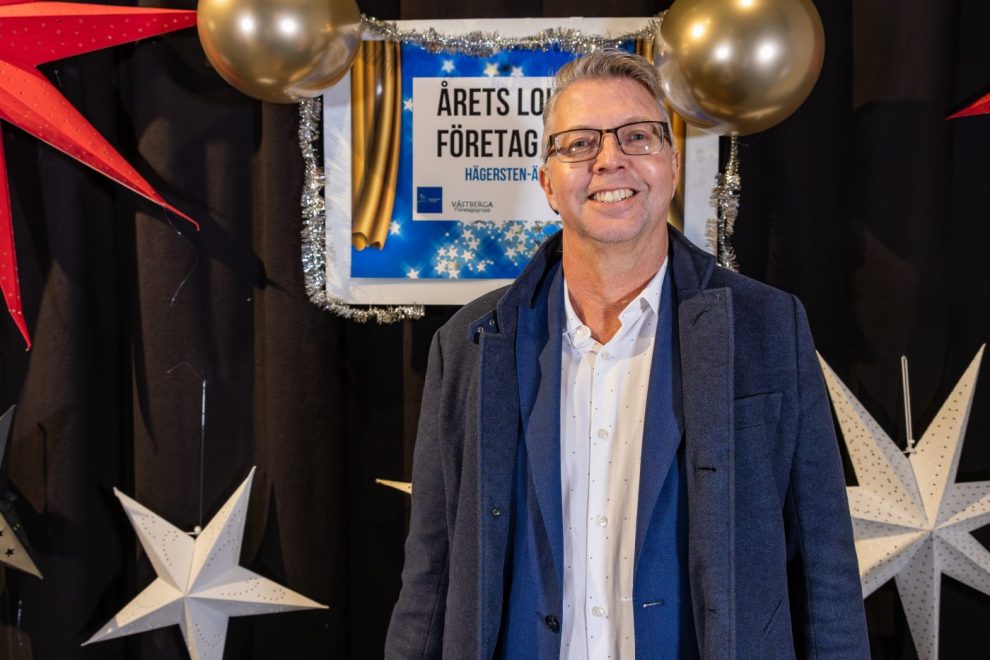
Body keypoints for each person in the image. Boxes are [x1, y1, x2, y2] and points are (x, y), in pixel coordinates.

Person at [385, 50, 869, 659]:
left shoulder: (768, 327)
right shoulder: (468, 343)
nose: (610, 159)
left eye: (636, 136)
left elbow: (825, 568)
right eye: (580, 143)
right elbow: (430, 575)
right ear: (547, 183)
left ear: (671, 164)